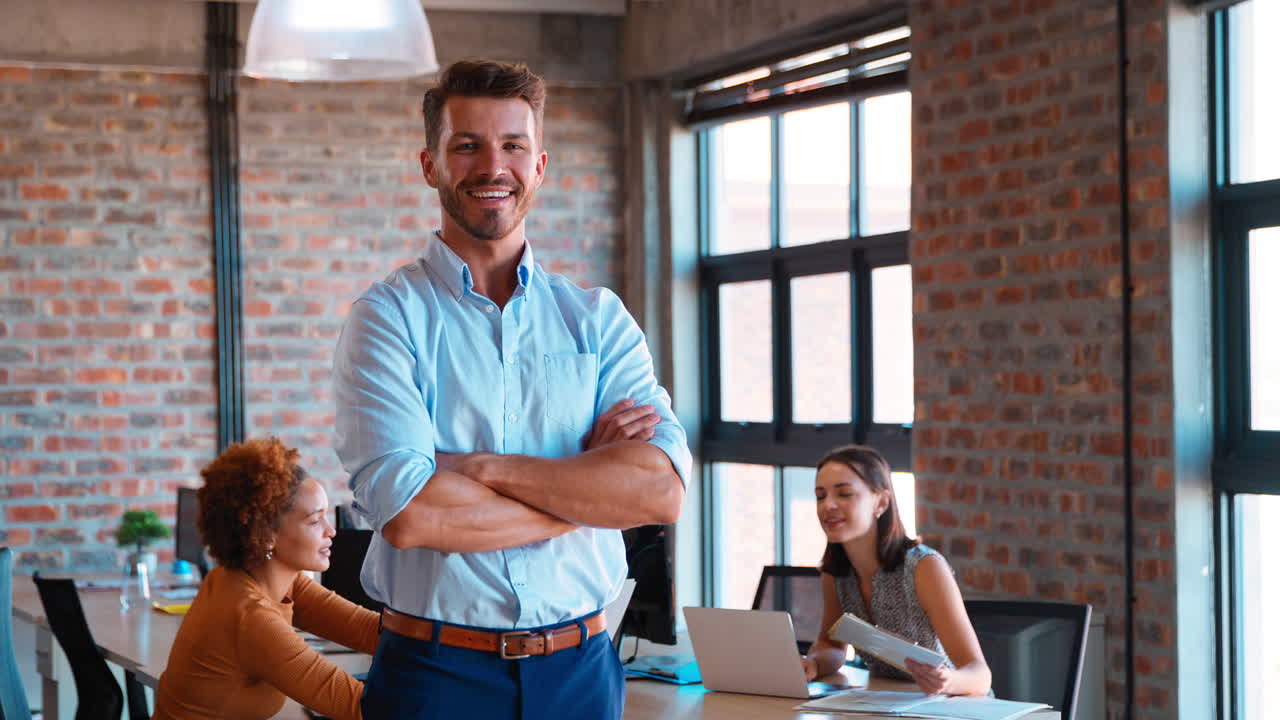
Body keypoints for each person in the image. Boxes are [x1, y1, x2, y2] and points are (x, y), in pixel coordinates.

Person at [332, 59, 690, 720]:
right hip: (436, 675)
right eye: (467, 145)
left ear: (540, 166)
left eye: (513, 146)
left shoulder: (598, 321)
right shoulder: (386, 319)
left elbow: (658, 494)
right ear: (430, 165)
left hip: (581, 673)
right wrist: (590, 493)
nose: (492, 166)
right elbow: (411, 516)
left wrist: (478, 470)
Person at [151, 438, 379, 720]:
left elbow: (366, 631)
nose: (330, 531)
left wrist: (429, 636)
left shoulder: (252, 578)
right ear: (266, 535)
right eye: (314, 521)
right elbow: (360, 707)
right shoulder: (250, 616)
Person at [800, 444, 992, 697]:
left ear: (881, 502)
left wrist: (947, 681)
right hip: (887, 701)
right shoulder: (836, 572)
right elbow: (831, 644)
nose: (828, 505)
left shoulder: (924, 567)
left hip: (952, 703)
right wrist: (813, 664)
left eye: (844, 494)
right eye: (820, 496)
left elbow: (980, 675)